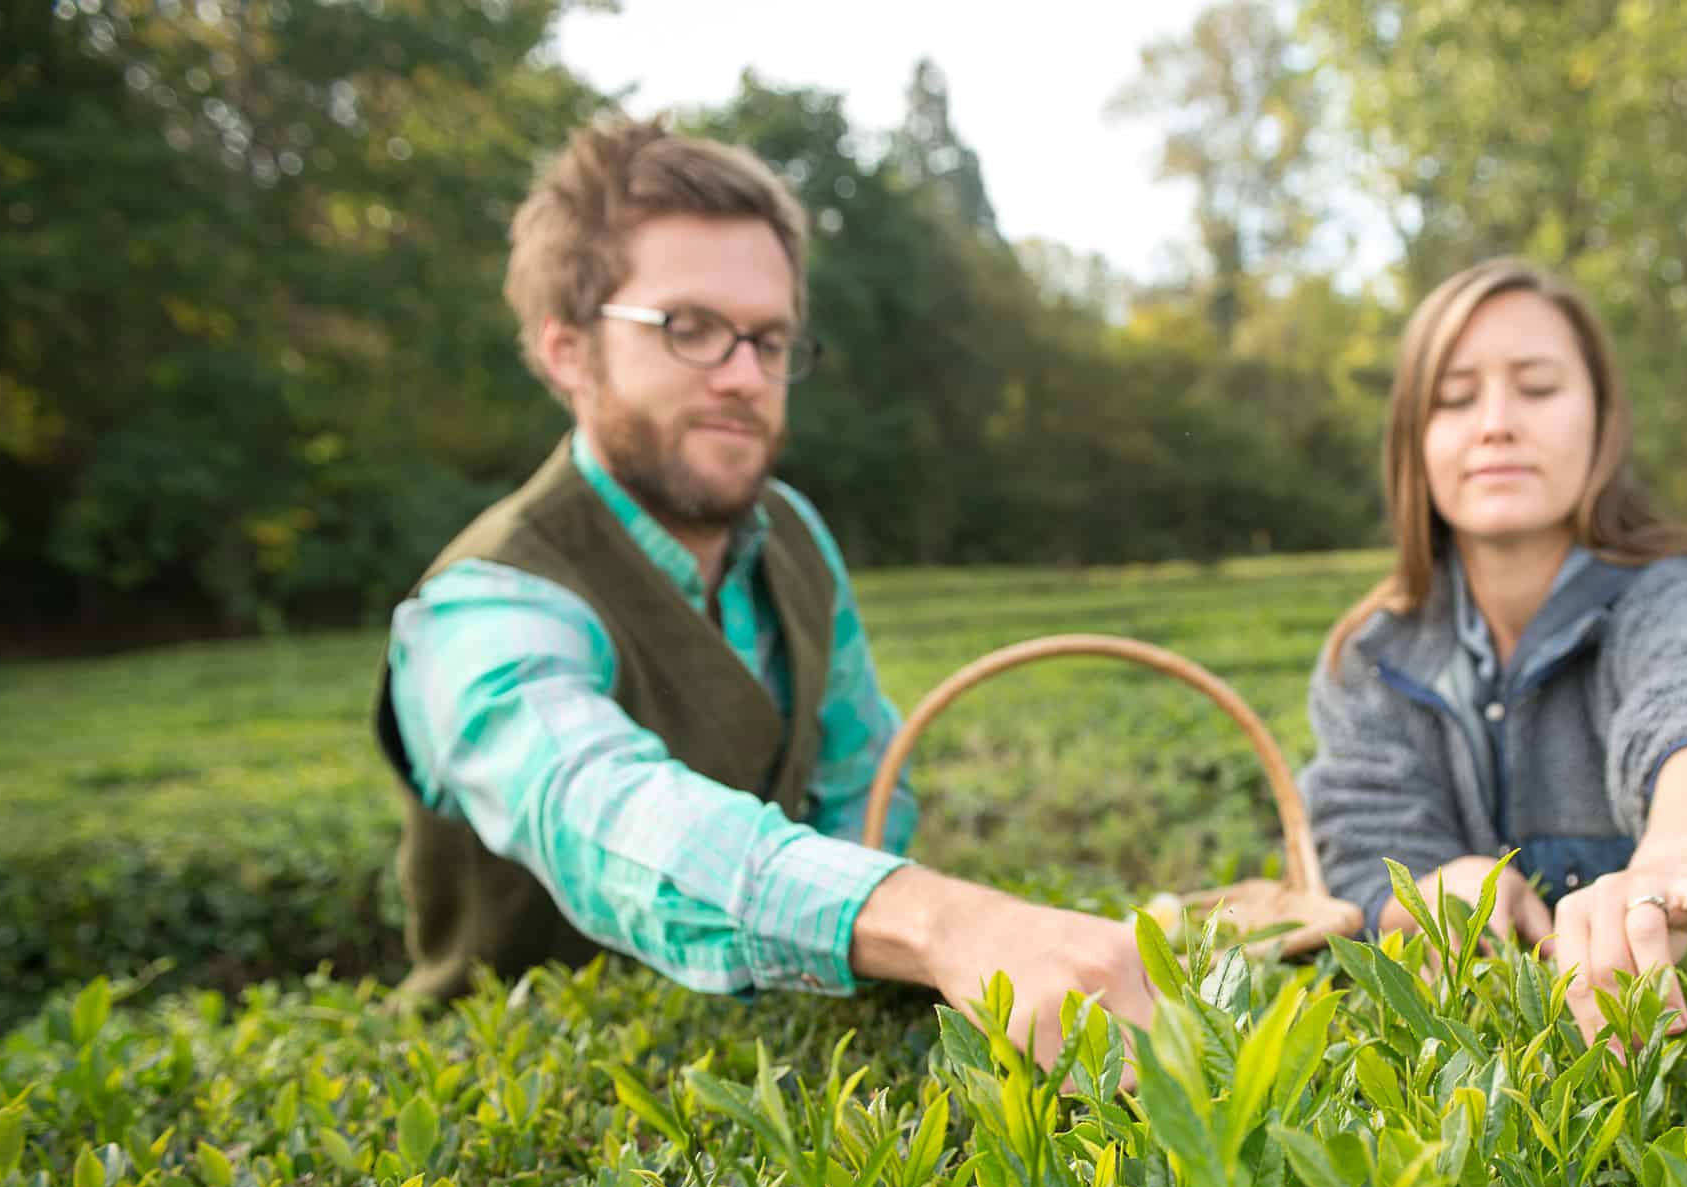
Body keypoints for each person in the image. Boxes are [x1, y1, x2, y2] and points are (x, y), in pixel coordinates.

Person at [373, 116, 1151, 1062]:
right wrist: (946, 921)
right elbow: (598, 806)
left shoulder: (794, 536)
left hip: (775, 1069)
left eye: (770, 339)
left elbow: (859, 776)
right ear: (570, 351)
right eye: (689, 329)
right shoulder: (484, 606)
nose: (746, 377)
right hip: (520, 1111)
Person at [1299, 258, 1687, 1046]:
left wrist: (1680, 856)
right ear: (1415, 438)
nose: (1496, 423)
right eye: (1453, 398)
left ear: (1601, 420)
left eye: (1539, 388)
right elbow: (1359, 833)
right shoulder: (1369, 655)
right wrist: (1431, 892)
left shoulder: (1678, 598)